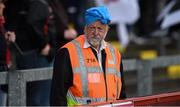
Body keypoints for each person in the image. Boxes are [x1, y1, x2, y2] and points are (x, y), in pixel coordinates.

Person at [50, 6, 126, 106]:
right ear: (85, 28)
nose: (96, 33)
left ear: (106, 30)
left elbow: (121, 93)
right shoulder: (67, 52)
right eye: (92, 28)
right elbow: (57, 96)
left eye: (100, 29)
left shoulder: (115, 53)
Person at [0, 0, 16, 106]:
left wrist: (5, 39)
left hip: (3, 68)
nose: (3, 6)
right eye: (0, 3)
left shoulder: (1, 23)